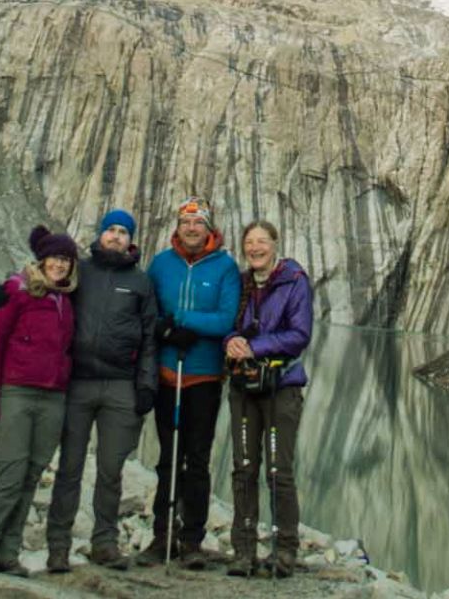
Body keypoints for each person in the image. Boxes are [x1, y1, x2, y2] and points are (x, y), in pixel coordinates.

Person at [41, 209, 158, 572]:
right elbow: (44, 287)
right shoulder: (82, 272)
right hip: (77, 382)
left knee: (111, 469)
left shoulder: (141, 282)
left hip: (120, 385)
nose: (117, 236)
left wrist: (146, 385)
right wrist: (10, 289)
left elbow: (150, 337)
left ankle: (104, 542)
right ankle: (58, 546)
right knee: (70, 468)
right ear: (102, 234)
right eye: (112, 230)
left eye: (124, 232)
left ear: (131, 240)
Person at [0, 225, 78, 575]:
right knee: (11, 472)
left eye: (65, 259)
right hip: (17, 391)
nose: (59, 265)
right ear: (42, 260)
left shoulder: (66, 298)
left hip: (53, 396)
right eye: (55, 258)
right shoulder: (17, 290)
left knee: (31, 475)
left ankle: (8, 553)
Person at [140, 196, 241, 569]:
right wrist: (164, 327)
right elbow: (147, 311)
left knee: (197, 459)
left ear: (209, 227)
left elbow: (224, 320)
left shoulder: (225, 267)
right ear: (178, 227)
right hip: (168, 374)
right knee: (168, 457)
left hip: (203, 377)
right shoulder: (161, 264)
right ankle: (162, 534)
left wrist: (181, 318)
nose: (192, 228)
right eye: (186, 223)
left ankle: (192, 539)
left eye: (199, 222)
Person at [223, 220, 313, 578]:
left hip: (281, 386)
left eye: (262, 241)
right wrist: (230, 341)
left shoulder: (294, 281)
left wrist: (253, 347)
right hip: (244, 387)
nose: (255, 248)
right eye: (249, 242)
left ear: (275, 244)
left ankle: (284, 549)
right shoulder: (241, 284)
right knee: (244, 467)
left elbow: (299, 333)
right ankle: (243, 550)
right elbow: (227, 322)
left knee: (279, 470)